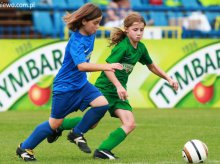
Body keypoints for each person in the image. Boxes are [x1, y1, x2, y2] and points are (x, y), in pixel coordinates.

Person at [46, 12, 179, 160]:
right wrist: (118, 85)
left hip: (118, 92)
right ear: (126, 29)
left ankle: (103, 150)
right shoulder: (123, 47)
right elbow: (108, 67)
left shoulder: (140, 48)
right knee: (92, 124)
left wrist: (169, 78)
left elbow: (152, 66)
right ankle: (58, 126)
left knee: (130, 124)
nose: (139, 33)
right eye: (135, 30)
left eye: (141, 30)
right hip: (106, 88)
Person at [16, 3, 123, 162]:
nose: (97, 26)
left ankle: (77, 133)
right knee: (53, 124)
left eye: (99, 22)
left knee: (102, 105)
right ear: (84, 21)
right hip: (65, 88)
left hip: (81, 85)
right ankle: (24, 147)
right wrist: (106, 66)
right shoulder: (77, 40)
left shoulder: (91, 33)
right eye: (95, 23)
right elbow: (81, 66)